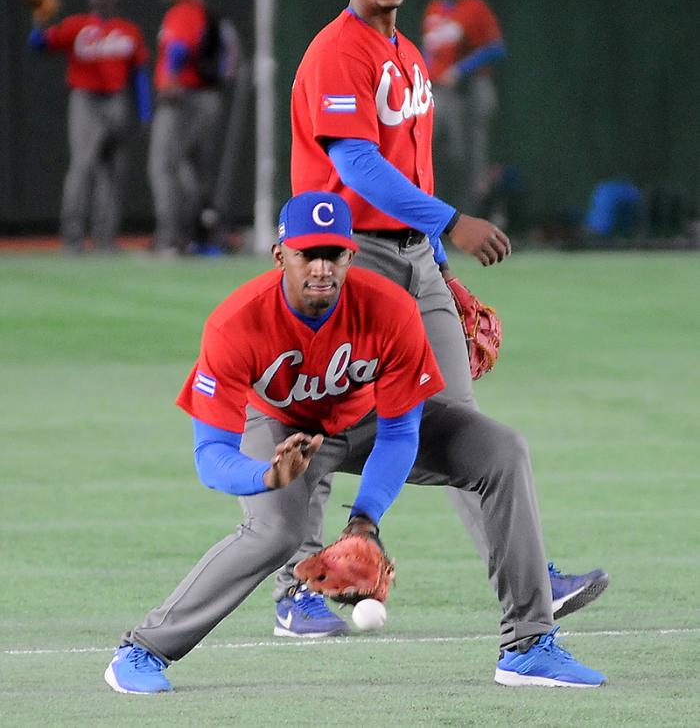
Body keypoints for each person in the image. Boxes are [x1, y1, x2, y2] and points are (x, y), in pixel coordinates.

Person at [104, 191, 606, 693]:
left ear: (352, 254)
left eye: (334, 253)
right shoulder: (236, 324)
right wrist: (265, 475)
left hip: (366, 421)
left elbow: (401, 430)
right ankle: (143, 649)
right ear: (281, 256)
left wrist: (364, 521)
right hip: (281, 431)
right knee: (275, 532)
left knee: (501, 451)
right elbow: (209, 456)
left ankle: (527, 645)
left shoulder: (390, 309)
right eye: (307, 253)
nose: (321, 267)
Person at [279, 0, 609, 646]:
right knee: (326, 413)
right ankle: (294, 585)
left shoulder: (407, 51)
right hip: (348, 255)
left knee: (463, 426)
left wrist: (438, 258)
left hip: (415, 256)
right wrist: (453, 218)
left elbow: (409, 164)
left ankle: (529, 581)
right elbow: (357, 165)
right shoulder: (338, 51)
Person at [27, 0, 151, 253]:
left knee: (113, 172)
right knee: (82, 168)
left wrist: (144, 112)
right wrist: (39, 19)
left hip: (117, 101)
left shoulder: (128, 30)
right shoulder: (77, 26)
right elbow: (38, 44)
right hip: (86, 101)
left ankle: (105, 238)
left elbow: (138, 74)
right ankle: (72, 238)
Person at [148, 0, 225, 255]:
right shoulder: (201, 10)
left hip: (185, 97)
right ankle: (196, 233)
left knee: (166, 165)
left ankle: (173, 236)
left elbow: (180, 47)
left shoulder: (184, 10)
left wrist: (170, 74)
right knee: (188, 167)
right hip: (202, 97)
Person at [422, 0, 506, 214]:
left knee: (468, 156)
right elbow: (430, 53)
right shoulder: (434, 9)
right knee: (429, 148)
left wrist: (462, 69)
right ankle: (432, 213)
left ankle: (473, 214)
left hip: (471, 90)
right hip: (438, 92)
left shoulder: (475, 7)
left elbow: (496, 48)